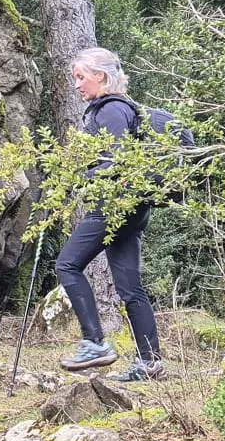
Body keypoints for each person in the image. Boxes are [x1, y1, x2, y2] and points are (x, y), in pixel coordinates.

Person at [54, 47, 166, 382]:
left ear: (100, 76)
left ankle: (95, 343)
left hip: (116, 205)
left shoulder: (112, 109)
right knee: (130, 286)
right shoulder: (120, 108)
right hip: (134, 208)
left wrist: (79, 177)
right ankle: (150, 362)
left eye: (81, 77)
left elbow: (114, 162)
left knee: (67, 264)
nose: (77, 85)